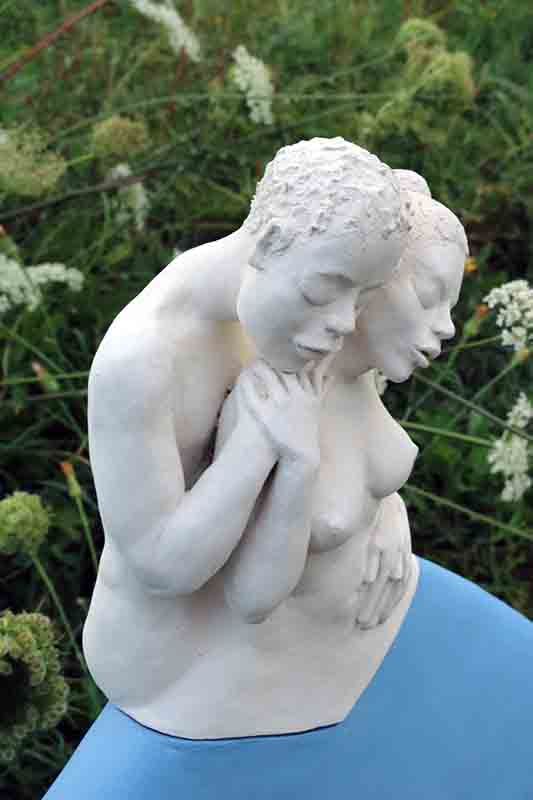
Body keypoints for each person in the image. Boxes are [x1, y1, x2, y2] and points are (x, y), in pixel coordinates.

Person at [42, 151, 533, 800]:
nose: (344, 322)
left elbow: (350, 434)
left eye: (361, 298)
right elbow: (166, 566)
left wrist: (384, 511)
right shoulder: (144, 357)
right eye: (329, 292)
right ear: (271, 241)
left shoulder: (299, 305)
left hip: (344, 628)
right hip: (196, 682)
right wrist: (265, 450)